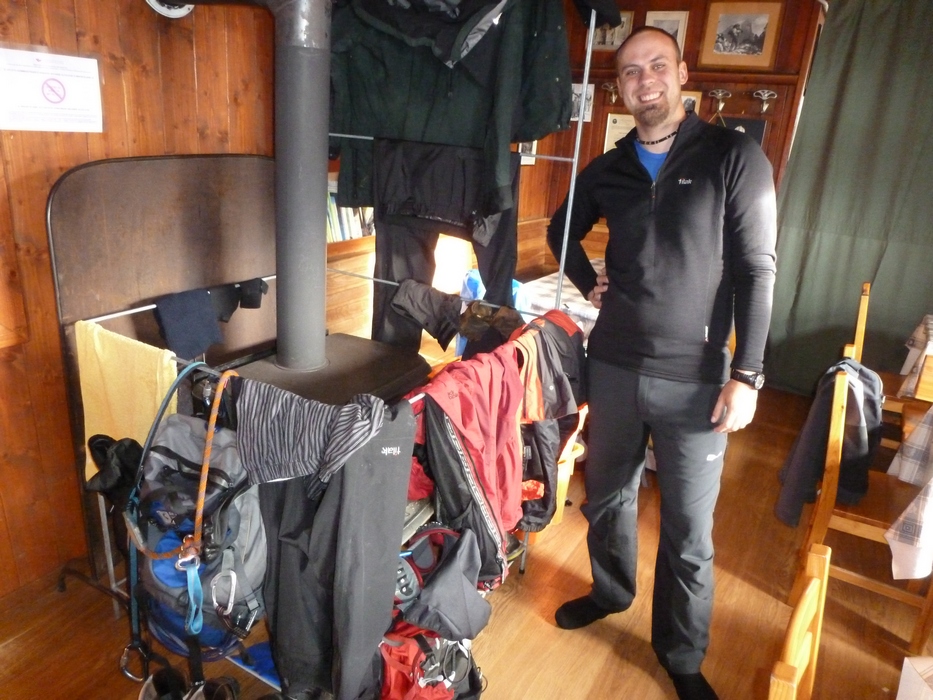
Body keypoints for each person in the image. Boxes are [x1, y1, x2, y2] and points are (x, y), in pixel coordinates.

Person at [546, 26, 776, 700]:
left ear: (681, 75)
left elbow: (756, 271)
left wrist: (747, 376)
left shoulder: (732, 156)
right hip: (613, 365)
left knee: (687, 530)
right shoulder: (609, 167)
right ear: (619, 87)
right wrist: (589, 280)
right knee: (606, 498)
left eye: (656, 66)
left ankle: (680, 654)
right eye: (629, 71)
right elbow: (561, 230)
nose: (643, 80)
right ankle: (610, 592)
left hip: (696, 378)